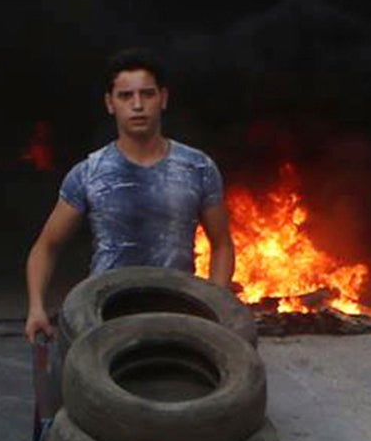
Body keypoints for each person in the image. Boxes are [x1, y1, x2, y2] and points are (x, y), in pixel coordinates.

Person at [23, 50, 237, 342]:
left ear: (163, 98)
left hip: (178, 313)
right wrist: (36, 308)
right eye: (126, 96)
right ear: (110, 104)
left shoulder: (198, 168)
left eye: (147, 94)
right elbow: (46, 246)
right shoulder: (89, 173)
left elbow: (222, 243)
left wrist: (217, 303)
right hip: (103, 318)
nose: (138, 105)